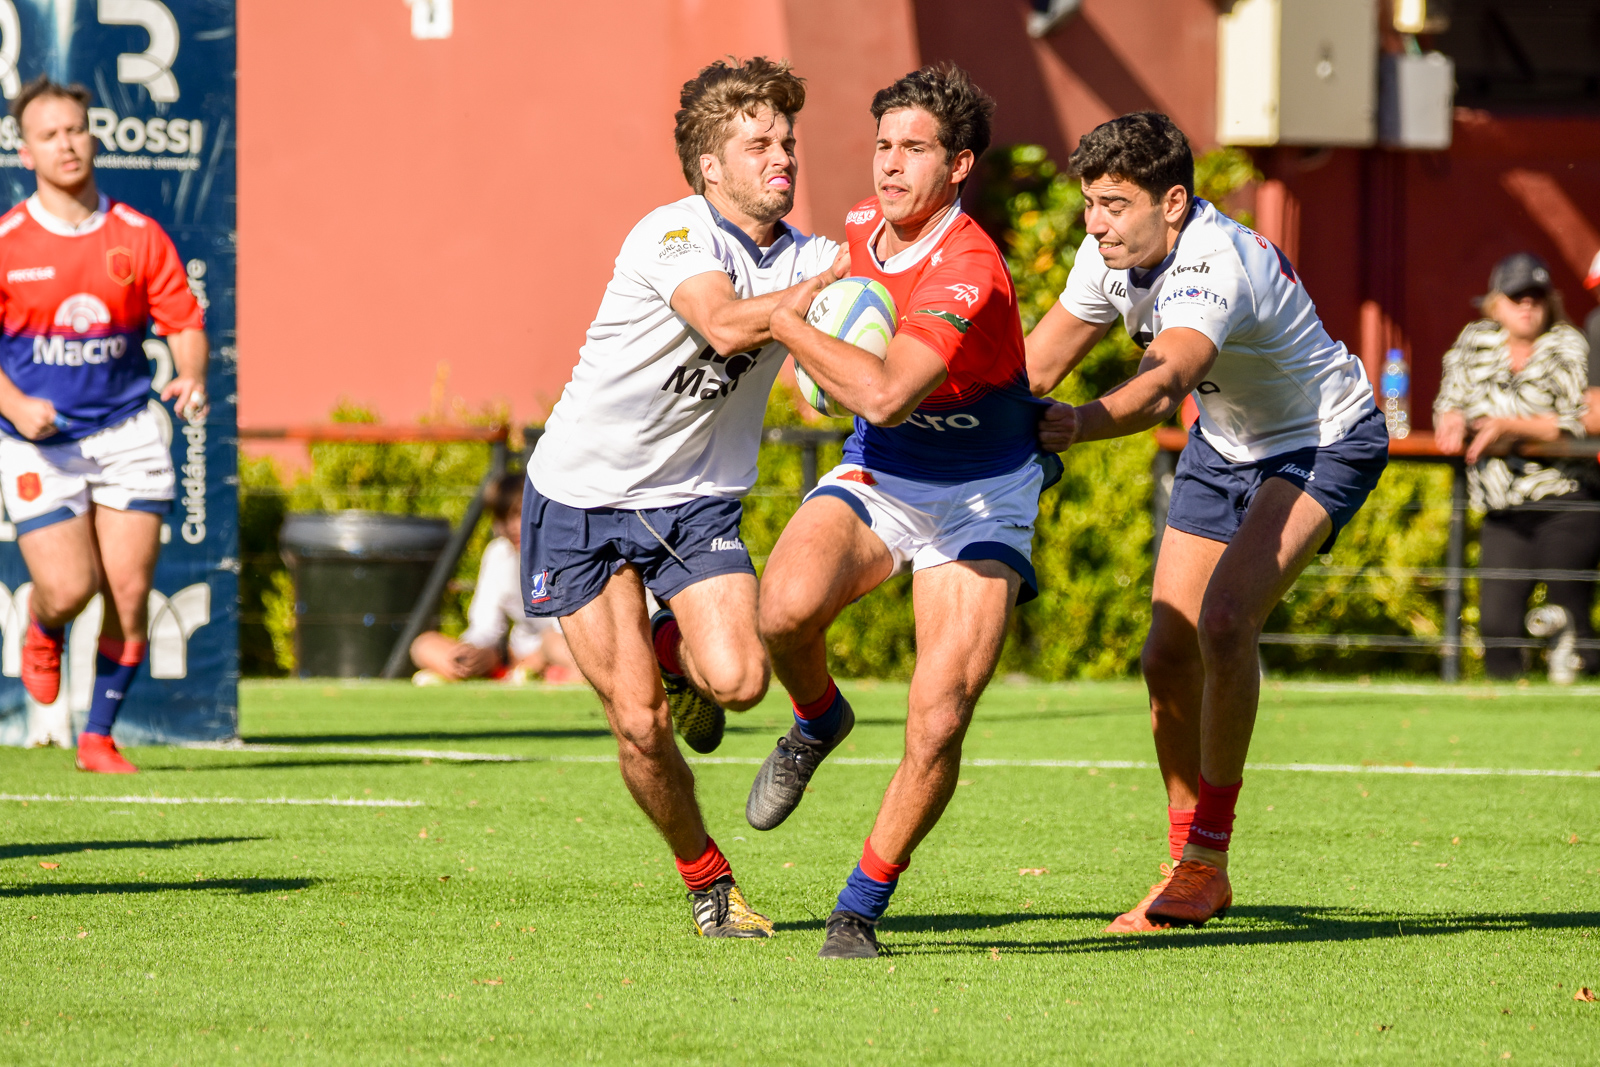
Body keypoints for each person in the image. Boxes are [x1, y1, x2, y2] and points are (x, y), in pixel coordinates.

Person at [1027, 112, 1387, 930]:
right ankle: (1185, 858)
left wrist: (1077, 425)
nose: (1095, 223)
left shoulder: (1213, 262)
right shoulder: (1105, 256)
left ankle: (1207, 861)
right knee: (1165, 652)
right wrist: (924, 402)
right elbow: (1034, 366)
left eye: (1114, 204)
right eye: (1090, 202)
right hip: (1225, 444)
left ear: (1176, 202)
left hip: (1325, 438)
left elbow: (1162, 383)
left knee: (1225, 623)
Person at [521, 58, 844, 938]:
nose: (782, 155)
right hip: (579, 498)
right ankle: (708, 882)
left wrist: (843, 361)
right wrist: (811, 305)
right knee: (639, 721)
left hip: (692, 501)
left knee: (739, 681)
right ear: (712, 167)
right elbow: (727, 322)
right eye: (759, 142)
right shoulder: (673, 233)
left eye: (787, 139)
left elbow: (842, 358)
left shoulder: (815, 258)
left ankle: (672, 647)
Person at [751, 64, 1056, 959]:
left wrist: (792, 331)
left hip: (982, 495)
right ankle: (817, 719)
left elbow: (882, 394)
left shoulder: (970, 265)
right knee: (782, 610)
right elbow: (859, 385)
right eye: (883, 144)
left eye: (914, 148)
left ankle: (857, 909)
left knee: (940, 713)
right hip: (883, 474)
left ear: (959, 165)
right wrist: (821, 355)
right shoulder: (859, 226)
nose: (890, 164)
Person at [0, 77, 207, 773]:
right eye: (49, 134)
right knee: (69, 587)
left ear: (94, 137)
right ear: (25, 151)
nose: (67, 144)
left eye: (76, 130)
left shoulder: (138, 235)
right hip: (39, 441)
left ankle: (98, 735)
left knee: (128, 590)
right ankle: (43, 623)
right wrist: (15, 404)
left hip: (126, 430)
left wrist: (192, 374)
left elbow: (184, 320)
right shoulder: (8, 241)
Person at [1434, 253, 1597, 678]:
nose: (1528, 305)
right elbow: (1450, 400)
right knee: (1497, 626)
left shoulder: (1568, 344)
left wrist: (1512, 426)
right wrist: (1451, 417)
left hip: (1565, 497)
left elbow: (1587, 420)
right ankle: (1506, 717)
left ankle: (1581, 703)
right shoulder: (1475, 341)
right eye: (1517, 295)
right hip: (1503, 504)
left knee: (1569, 609)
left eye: (1537, 296)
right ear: (1496, 302)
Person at [410, 472, 579, 685]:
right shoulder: (498, 554)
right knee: (423, 645)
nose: (511, 526)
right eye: (503, 517)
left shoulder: (564, 552)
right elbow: (485, 628)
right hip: (512, 657)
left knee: (553, 644)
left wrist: (536, 659)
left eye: (518, 515)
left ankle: (555, 675)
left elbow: (564, 630)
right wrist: (469, 654)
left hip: (554, 650)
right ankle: (458, 671)